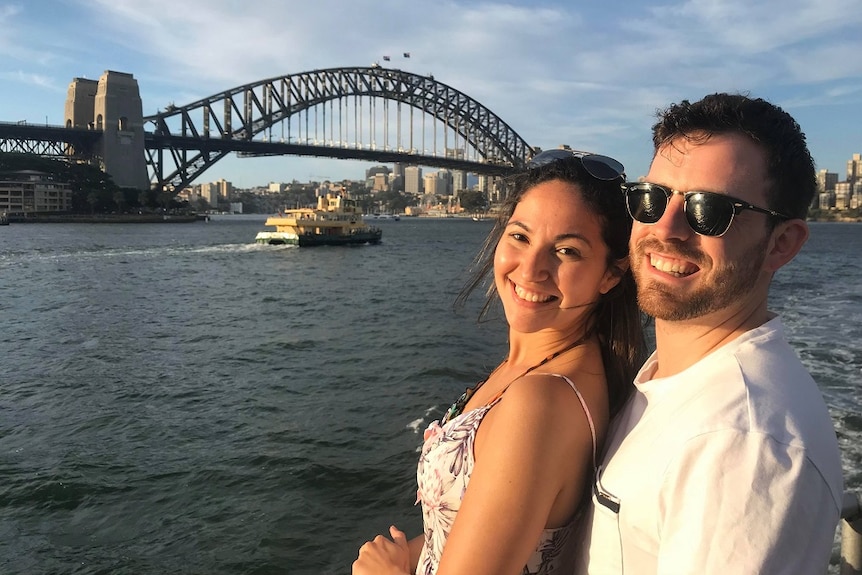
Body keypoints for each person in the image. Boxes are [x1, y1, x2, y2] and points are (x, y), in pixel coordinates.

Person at [580, 93, 845, 573]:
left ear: (781, 244)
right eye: (651, 197)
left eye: (710, 210)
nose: (666, 227)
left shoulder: (742, 446)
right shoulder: (677, 380)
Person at [353, 150, 647, 575]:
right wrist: (413, 552)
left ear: (611, 274)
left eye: (567, 251)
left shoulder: (541, 401)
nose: (531, 270)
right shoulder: (547, 367)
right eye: (520, 237)